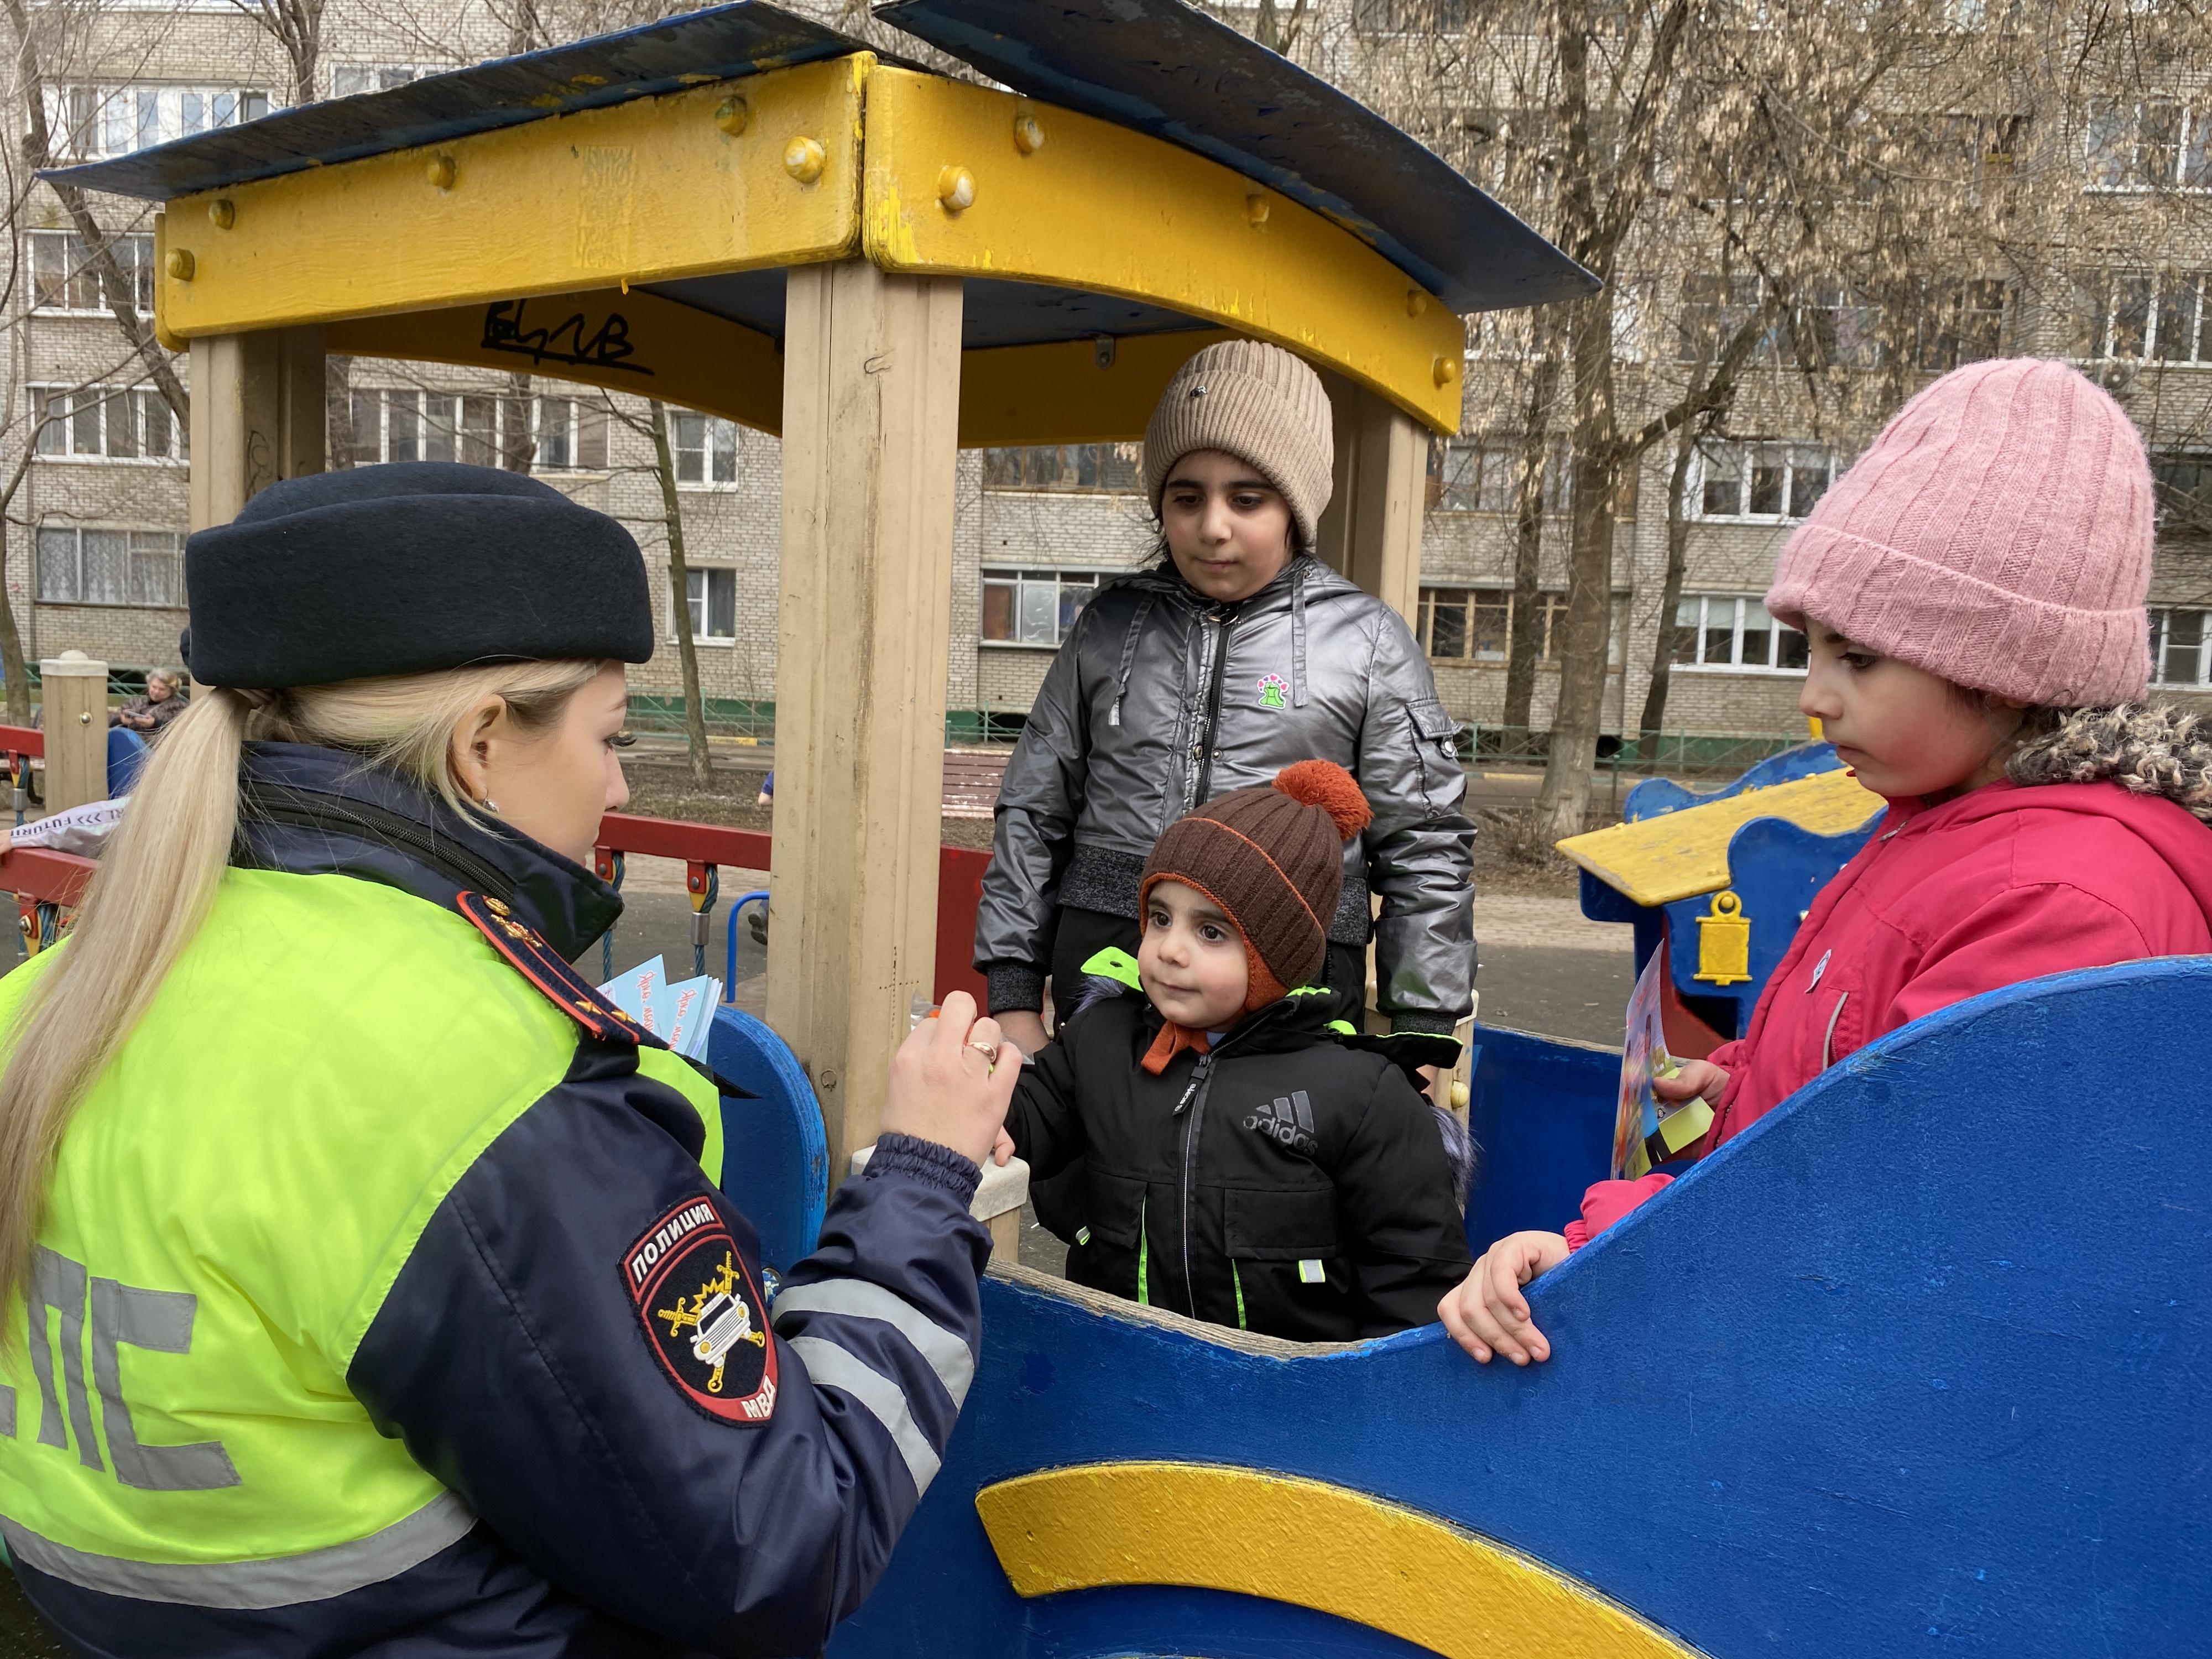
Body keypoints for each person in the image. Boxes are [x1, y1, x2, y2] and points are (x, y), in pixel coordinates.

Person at [0, 463, 1020, 1656]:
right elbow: (788, 1538)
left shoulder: (58, 993)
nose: (621, 783)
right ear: (482, 742)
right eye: (609, 736)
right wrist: (921, 1179)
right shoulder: (476, 1086)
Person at [1441, 358, 2212, 1369]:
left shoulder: (2054, 902)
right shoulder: (1940, 825)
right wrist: (1735, 1088)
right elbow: (1866, 1075)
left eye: (1858, 657)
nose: (1813, 696)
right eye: (1811, 648)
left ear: (2003, 671)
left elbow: (1880, 1201)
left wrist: (1600, 1252)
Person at [976, 340, 1475, 1063]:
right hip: (1109, 969)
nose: (1213, 527)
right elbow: (1034, 808)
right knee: (1096, 1133)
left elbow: (1424, 840)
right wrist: (1015, 995)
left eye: (1247, 499)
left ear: (1295, 507)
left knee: (1263, 1141)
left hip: (1292, 984)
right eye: (1187, 499)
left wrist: (1421, 1031)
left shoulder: (1367, 643)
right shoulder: (1108, 629)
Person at [997, 760, 1472, 1341]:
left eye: (1211, 932)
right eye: (1159, 918)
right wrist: (975, 1088)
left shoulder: (1360, 1092)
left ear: (1279, 957)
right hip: (1119, 1365)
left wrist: (1373, 1392)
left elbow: (1413, 1277)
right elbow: (1025, 1117)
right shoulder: (1101, 1040)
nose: (1169, 950)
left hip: (1286, 1385)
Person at [108, 667, 185, 737]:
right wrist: (122, 721)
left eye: (162, 689)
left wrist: (154, 724)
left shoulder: (179, 707)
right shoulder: (135, 702)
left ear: (172, 690)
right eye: (154, 687)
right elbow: (109, 722)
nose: (156, 692)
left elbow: (180, 729)